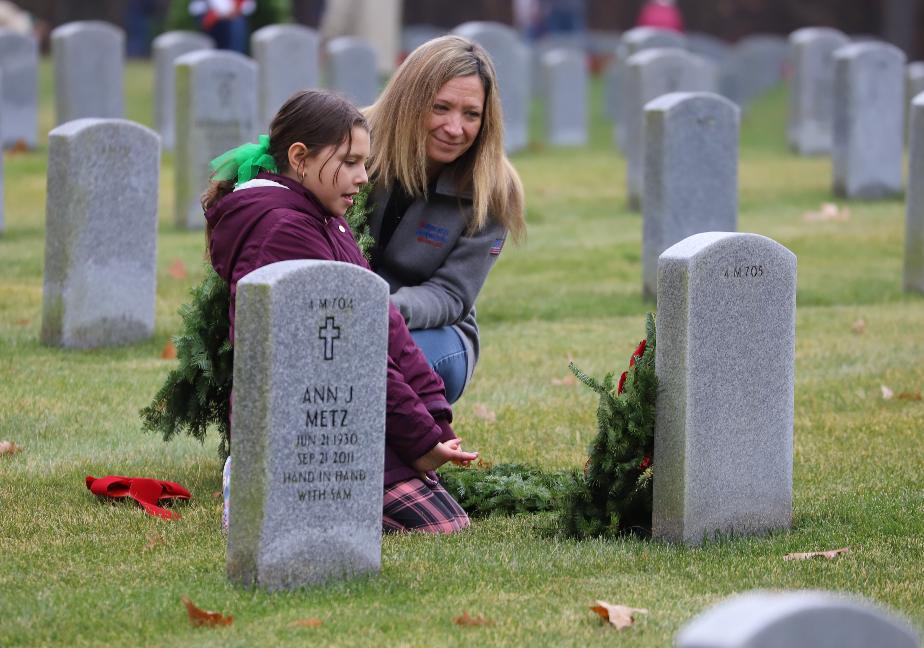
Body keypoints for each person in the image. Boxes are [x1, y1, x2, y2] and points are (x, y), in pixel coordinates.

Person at [204, 90, 477, 533]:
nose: (363, 177)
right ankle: (256, 480)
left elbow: (384, 325)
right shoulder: (284, 230)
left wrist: (434, 419)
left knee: (448, 517)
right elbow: (352, 353)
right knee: (442, 526)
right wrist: (418, 438)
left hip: (343, 412)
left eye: (364, 163)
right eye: (350, 162)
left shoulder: (325, 218)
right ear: (300, 158)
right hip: (305, 428)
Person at [363, 35, 527, 404]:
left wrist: (381, 311)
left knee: (391, 362)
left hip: (434, 327)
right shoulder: (352, 145)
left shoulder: (493, 189)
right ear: (409, 101)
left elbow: (452, 294)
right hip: (338, 311)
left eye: (471, 114)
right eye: (441, 108)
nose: (456, 129)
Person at [188, 0, 255, 53]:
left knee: (237, 26)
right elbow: (196, 9)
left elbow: (249, 6)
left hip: (233, 20)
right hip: (211, 22)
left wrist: (233, 11)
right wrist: (220, 13)